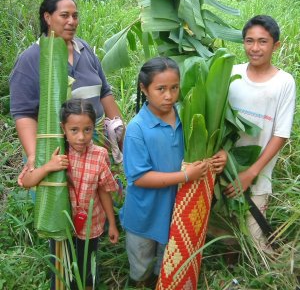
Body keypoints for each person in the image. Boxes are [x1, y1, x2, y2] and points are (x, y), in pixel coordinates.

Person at [120, 57, 227, 288]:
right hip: (145, 214)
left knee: (168, 264)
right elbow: (139, 178)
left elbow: (204, 142)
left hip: (176, 211)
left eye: (174, 88)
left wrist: (220, 154)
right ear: (143, 88)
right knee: (142, 266)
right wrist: (185, 176)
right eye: (160, 89)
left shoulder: (185, 115)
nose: (169, 96)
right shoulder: (137, 128)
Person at [9, 0, 122, 184]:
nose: (72, 21)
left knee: (103, 200)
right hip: (60, 148)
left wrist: (119, 130)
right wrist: (34, 155)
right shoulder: (31, 59)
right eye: (64, 15)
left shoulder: (84, 50)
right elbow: (23, 113)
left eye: (75, 16)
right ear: (47, 17)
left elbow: (104, 92)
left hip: (96, 143)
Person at [22, 98, 119, 289]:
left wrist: (112, 223)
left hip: (91, 223)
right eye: (74, 130)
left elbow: (103, 191)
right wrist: (49, 166)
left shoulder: (99, 154)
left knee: (87, 269)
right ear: (63, 128)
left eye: (87, 129)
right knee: (61, 266)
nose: (81, 137)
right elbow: (27, 182)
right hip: (61, 225)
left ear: (94, 127)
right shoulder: (55, 151)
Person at [224, 15, 296, 252]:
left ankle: (265, 273)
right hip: (225, 170)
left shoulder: (284, 82)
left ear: (276, 45)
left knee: (256, 243)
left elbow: (281, 134)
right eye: (249, 41)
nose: (255, 48)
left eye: (262, 42)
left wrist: (251, 172)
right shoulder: (231, 73)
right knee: (226, 234)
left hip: (258, 173)